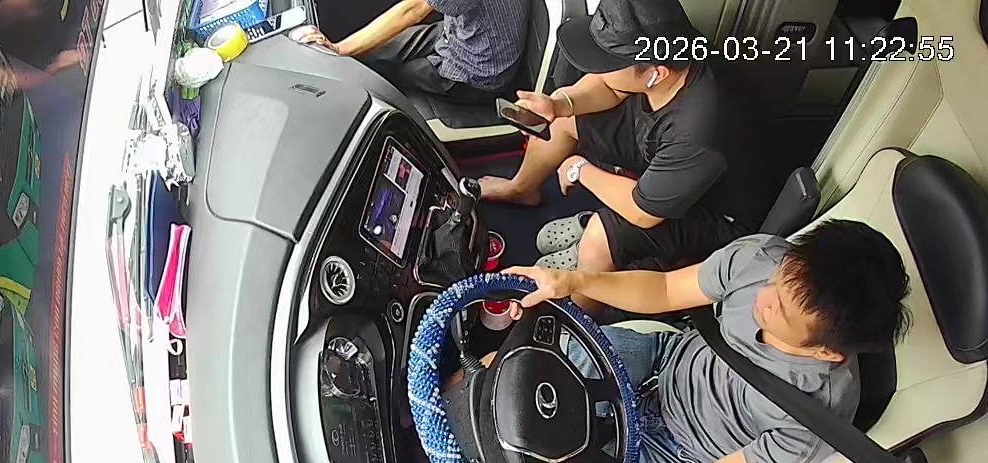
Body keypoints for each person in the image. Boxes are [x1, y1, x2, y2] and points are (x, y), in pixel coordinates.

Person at [485, 221, 911, 463]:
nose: (763, 296)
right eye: (777, 280)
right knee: (513, 370)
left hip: (683, 460)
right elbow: (667, 289)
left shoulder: (811, 421)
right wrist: (576, 281)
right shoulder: (762, 258)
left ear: (826, 352)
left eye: (780, 310)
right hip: (662, 361)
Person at [477, 0, 774, 312]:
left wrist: (579, 169)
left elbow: (643, 211)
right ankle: (522, 189)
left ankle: (577, 323)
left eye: (608, 60)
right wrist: (559, 105)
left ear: (656, 73)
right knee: (562, 121)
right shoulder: (670, 52)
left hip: (717, 214)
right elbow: (609, 86)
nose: (596, 67)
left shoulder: (701, 128)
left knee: (599, 236)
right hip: (669, 157)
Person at [298, 0, 530, 104]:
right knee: (380, 52)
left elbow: (413, 10)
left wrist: (339, 49)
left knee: (384, 74)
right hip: (460, 34)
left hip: (481, 71)